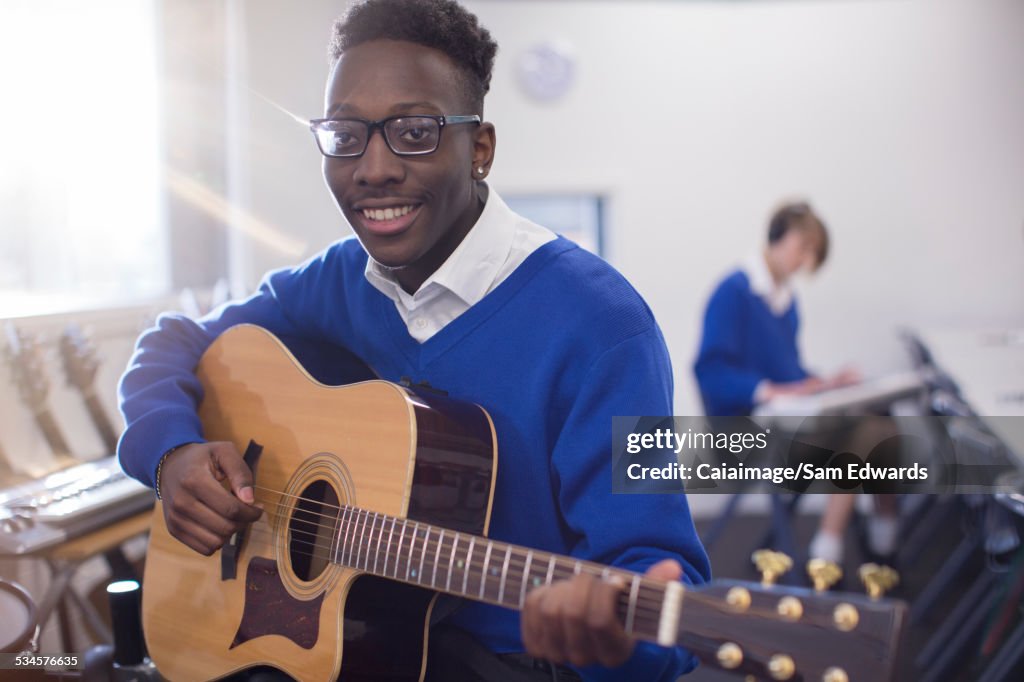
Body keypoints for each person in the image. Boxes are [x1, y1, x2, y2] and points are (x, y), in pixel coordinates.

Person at [116, 1, 710, 680]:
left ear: (480, 148)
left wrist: (615, 643)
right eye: (345, 135)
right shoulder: (337, 282)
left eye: (414, 132)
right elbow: (173, 340)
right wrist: (173, 452)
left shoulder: (604, 327)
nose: (373, 168)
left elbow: (666, 593)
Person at [693, 201, 897, 566]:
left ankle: (872, 535)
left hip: (781, 417)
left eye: (813, 254)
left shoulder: (786, 301)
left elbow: (789, 373)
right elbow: (710, 372)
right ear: (778, 237)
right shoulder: (733, 291)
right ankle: (830, 550)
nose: (806, 261)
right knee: (865, 433)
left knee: (881, 417)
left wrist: (825, 383)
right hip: (744, 430)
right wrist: (769, 390)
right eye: (804, 248)